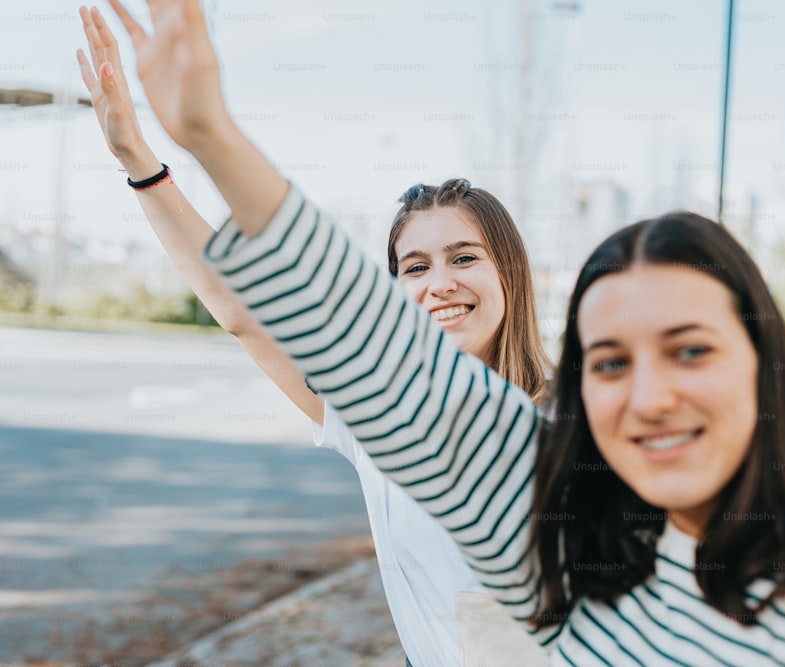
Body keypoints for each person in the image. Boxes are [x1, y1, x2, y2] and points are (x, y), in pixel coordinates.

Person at [90, 0, 785, 664]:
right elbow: (340, 323)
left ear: (762, 364)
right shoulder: (546, 514)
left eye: (690, 348)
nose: (651, 393)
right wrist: (191, 145)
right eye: (610, 361)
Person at [75, 6, 549, 665]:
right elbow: (244, 313)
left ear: (511, 273)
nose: (438, 282)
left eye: (464, 257)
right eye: (415, 266)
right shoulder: (379, 409)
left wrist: (212, 135)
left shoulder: (572, 421)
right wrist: (140, 163)